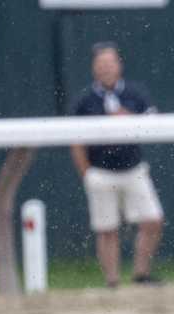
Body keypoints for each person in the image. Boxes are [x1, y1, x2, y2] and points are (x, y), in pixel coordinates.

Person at [70, 42, 165, 288]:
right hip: (101, 171)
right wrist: (86, 173)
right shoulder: (85, 100)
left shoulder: (136, 93)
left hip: (133, 168)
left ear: (119, 65)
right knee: (107, 228)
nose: (106, 69)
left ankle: (141, 274)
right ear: (94, 68)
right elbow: (74, 139)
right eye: (101, 64)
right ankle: (112, 281)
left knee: (153, 219)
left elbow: (154, 123)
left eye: (110, 63)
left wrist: (128, 119)